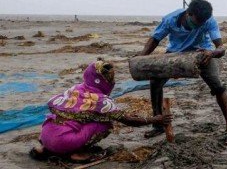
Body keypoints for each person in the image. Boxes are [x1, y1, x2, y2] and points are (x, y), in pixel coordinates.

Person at [30, 60, 170, 163]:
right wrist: (156, 119)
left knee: (67, 120)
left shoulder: (76, 88)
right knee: (104, 124)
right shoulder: (101, 101)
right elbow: (128, 121)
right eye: (111, 78)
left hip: (46, 135)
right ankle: (75, 153)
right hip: (63, 141)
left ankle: (46, 149)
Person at [140, 0, 227, 145]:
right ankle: (158, 124)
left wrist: (212, 53)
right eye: (197, 22)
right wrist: (142, 58)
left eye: (202, 23)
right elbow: (155, 39)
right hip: (175, 53)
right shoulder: (170, 19)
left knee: (218, 87)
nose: (199, 25)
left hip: (202, 53)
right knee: (155, 82)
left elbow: (221, 48)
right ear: (188, 13)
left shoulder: (209, 20)